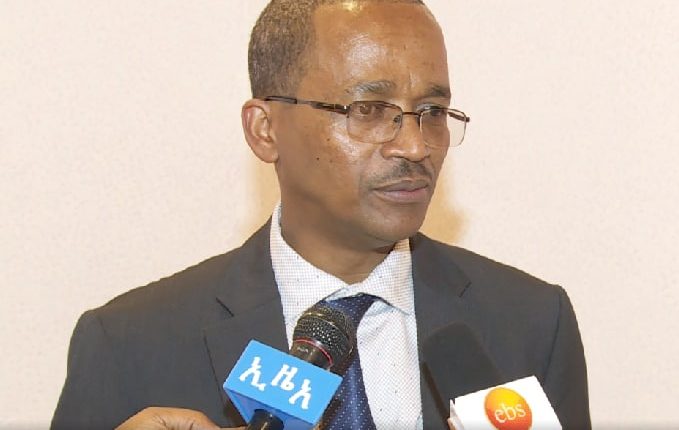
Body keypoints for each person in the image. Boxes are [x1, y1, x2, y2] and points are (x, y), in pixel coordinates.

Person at [51, 1, 591, 429]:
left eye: (431, 112)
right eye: (369, 110)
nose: (415, 145)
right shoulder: (130, 344)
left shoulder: (531, 324)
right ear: (265, 129)